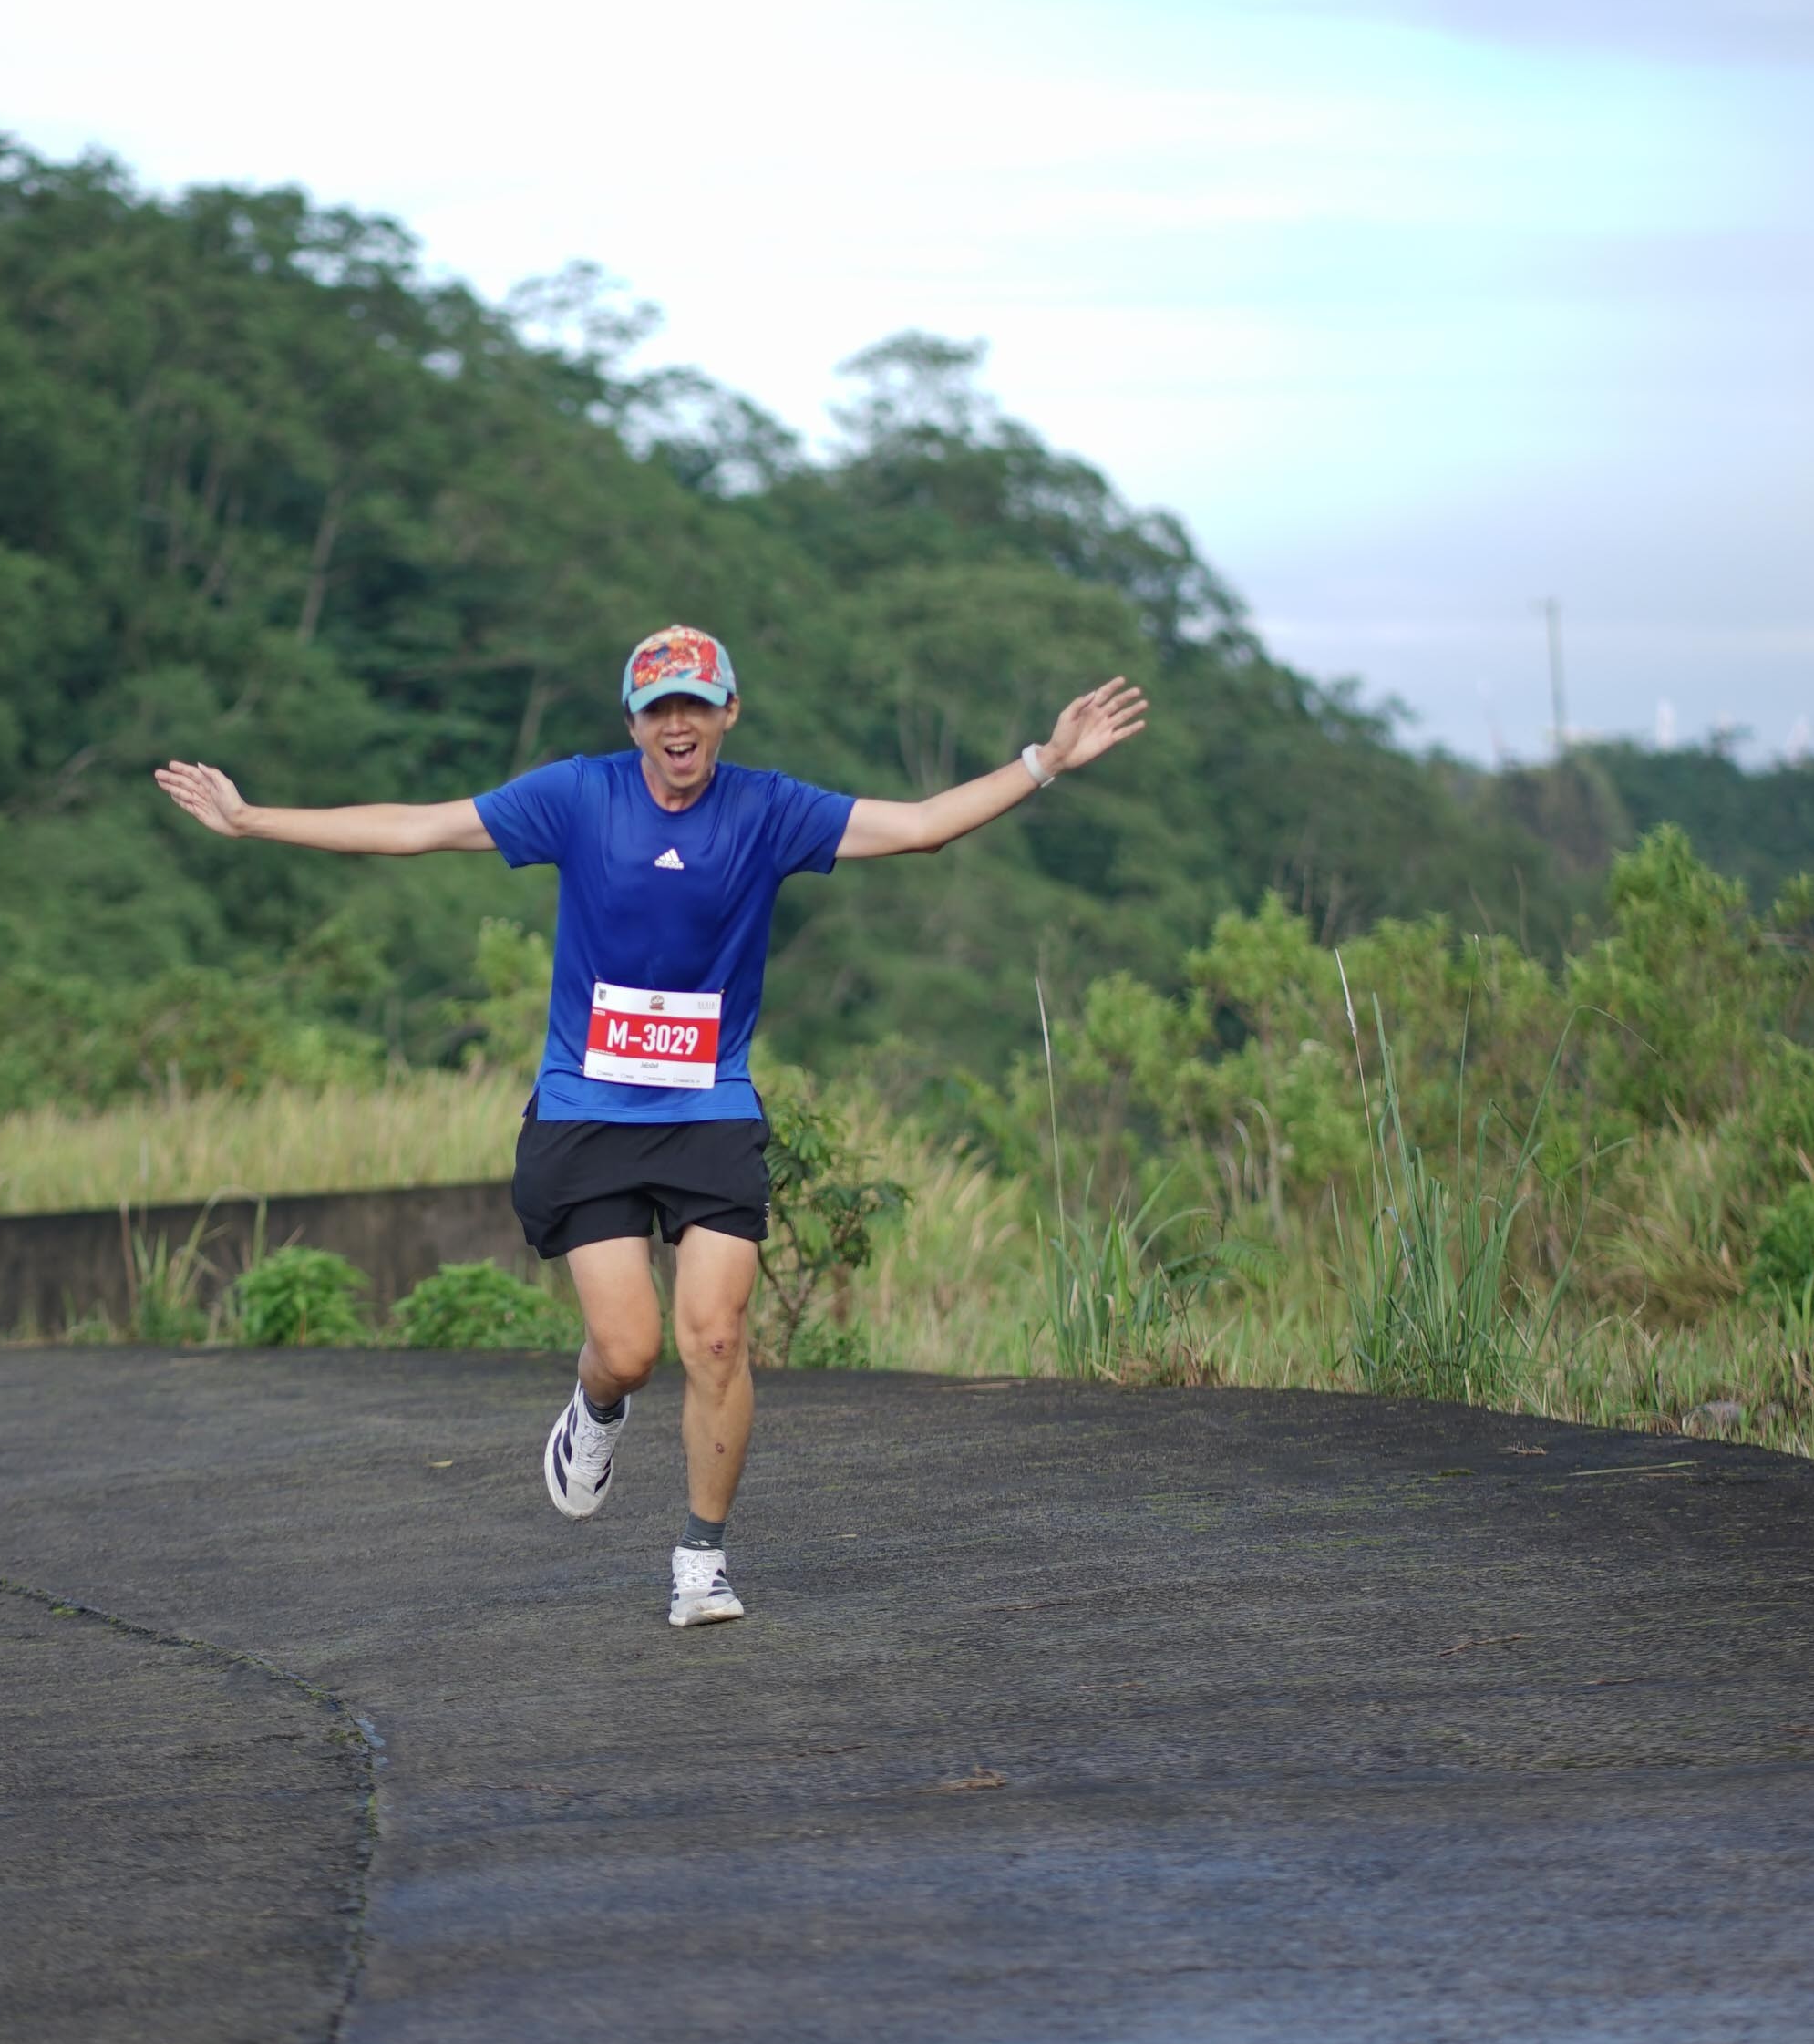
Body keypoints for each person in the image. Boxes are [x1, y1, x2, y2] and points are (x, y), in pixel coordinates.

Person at [155, 626, 1147, 1629]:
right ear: (632, 723)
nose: (678, 725)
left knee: (714, 1337)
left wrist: (1045, 760)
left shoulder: (766, 810)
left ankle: (700, 1558)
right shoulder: (578, 796)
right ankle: (596, 1407)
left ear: (728, 713)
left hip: (707, 1107)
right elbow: (419, 828)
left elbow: (922, 825)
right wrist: (251, 821)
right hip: (587, 1111)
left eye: (696, 705)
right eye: (658, 708)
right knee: (627, 1350)